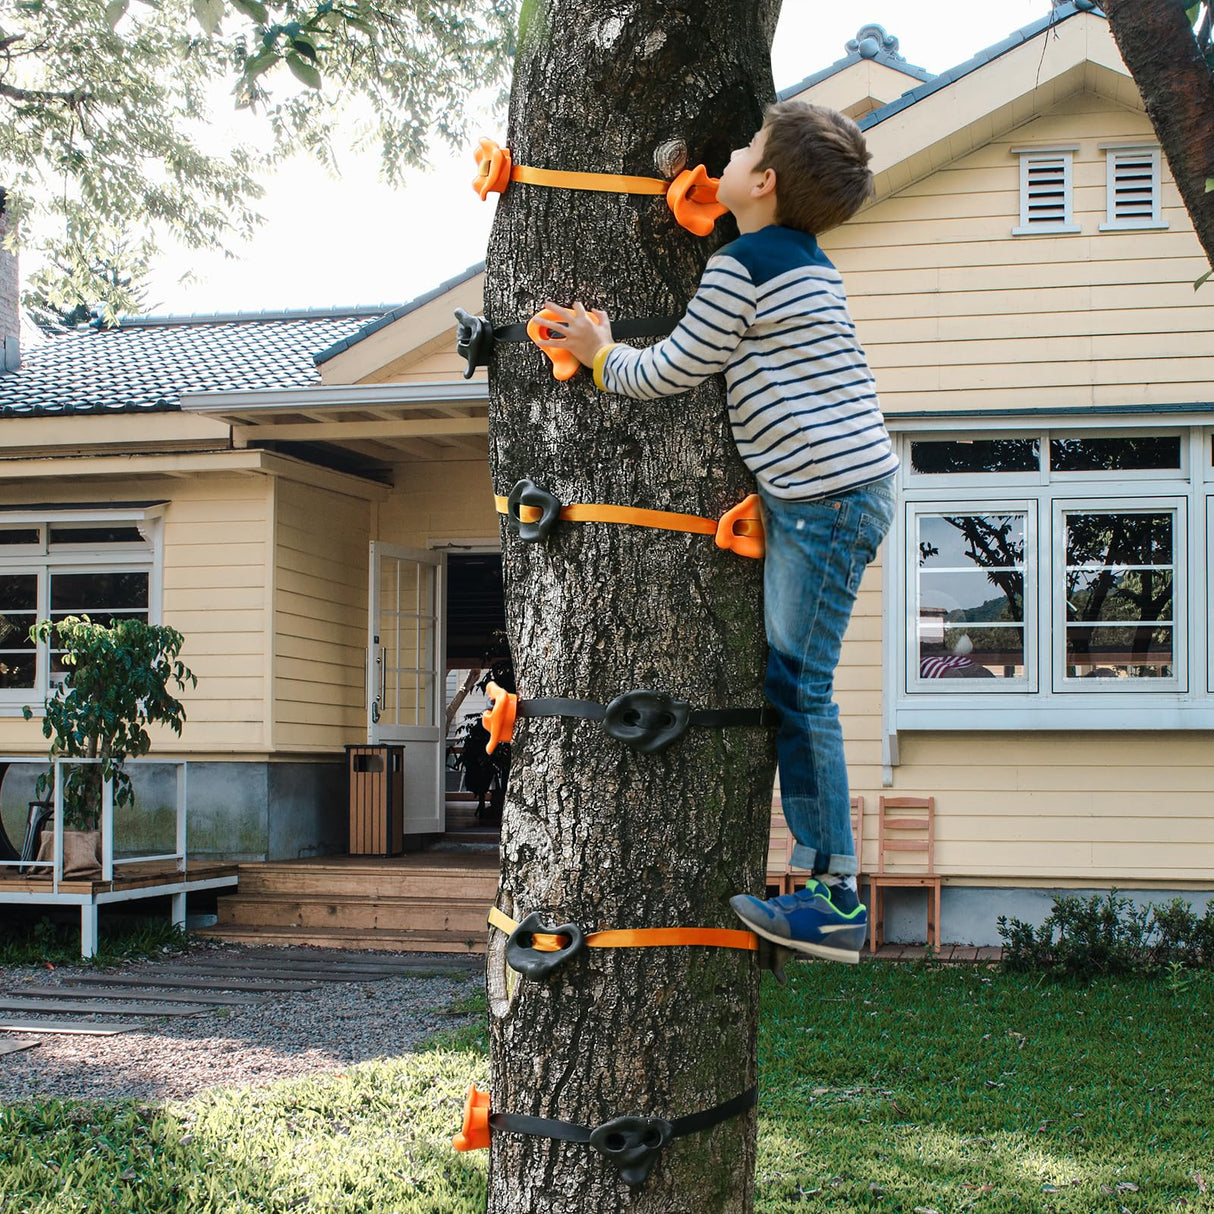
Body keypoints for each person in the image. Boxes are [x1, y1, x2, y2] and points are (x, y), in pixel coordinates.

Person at [536, 101, 898, 965]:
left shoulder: (743, 266)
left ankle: (834, 897)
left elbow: (675, 369)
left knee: (799, 687)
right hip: (837, 493)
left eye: (743, 149)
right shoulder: (803, 262)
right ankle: (822, 878)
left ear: (762, 183)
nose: (727, 155)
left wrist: (598, 352)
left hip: (827, 500)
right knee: (794, 683)